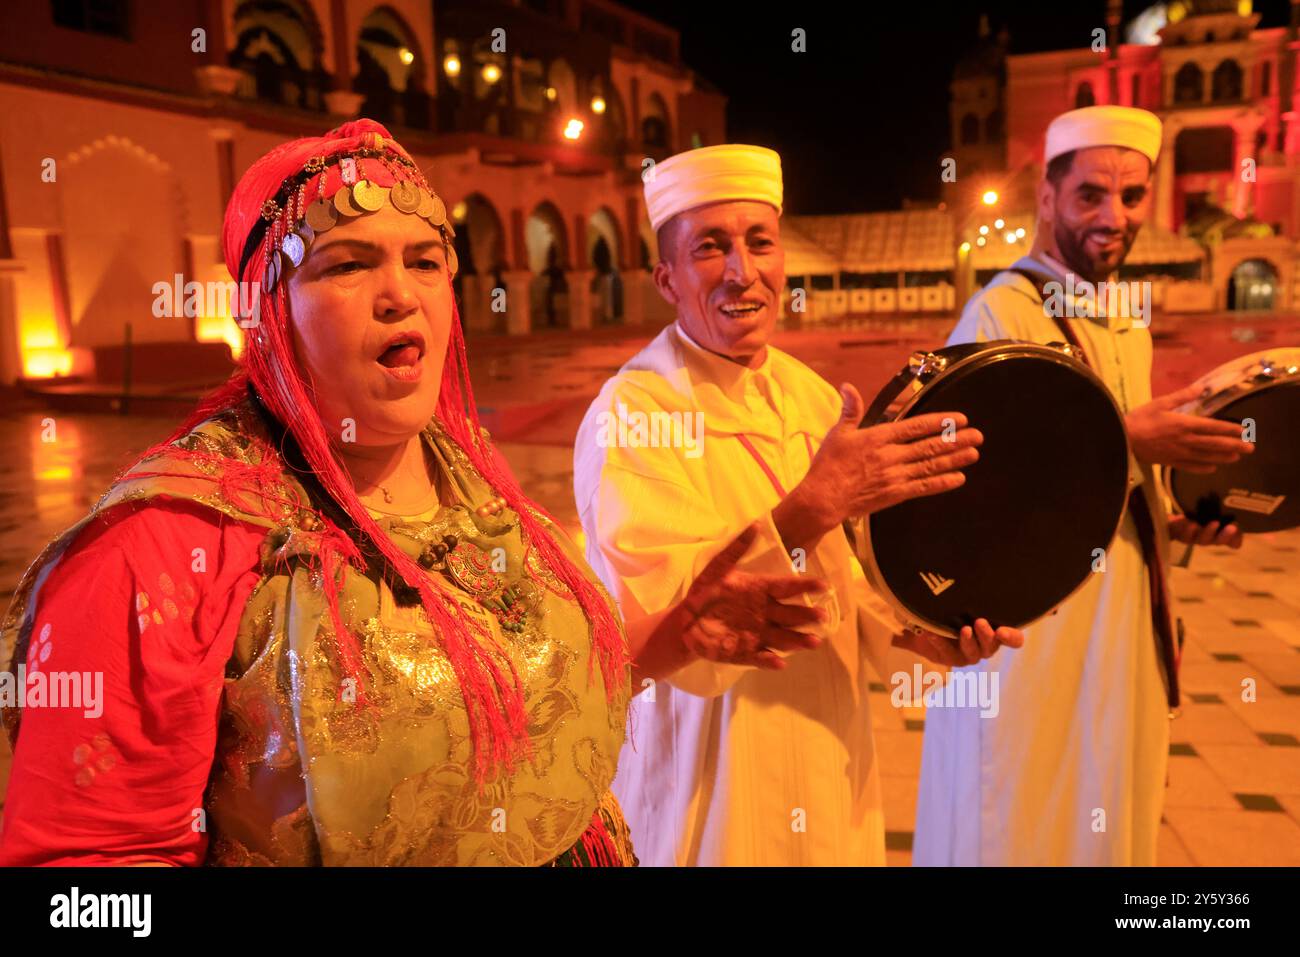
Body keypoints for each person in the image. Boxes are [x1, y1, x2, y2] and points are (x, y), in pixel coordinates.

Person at [0, 120, 809, 867]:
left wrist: (670, 636)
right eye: (348, 264)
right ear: (266, 312)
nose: (401, 293)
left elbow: (513, 708)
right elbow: (87, 875)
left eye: (425, 261)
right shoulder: (165, 545)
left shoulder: (471, 480)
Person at [574, 143, 1024, 866]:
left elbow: (856, 582)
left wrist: (928, 630)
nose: (741, 271)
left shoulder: (814, 398)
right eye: (709, 248)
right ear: (667, 276)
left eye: (760, 243)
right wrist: (811, 507)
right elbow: (669, 628)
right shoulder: (632, 413)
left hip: (826, 750)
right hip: (712, 770)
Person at [914, 105, 1253, 866]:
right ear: (1046, 196)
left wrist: (1177, 513)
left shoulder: (1124, 319)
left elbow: (1120, 476)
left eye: (1132, 197)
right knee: (1018, 805)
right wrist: (1127, 438)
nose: (1116, 217)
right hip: (1033, 624)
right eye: (1091, 195)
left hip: (1123, 615)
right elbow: (965, 476)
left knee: (1108, 795)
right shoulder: (1000, 309)